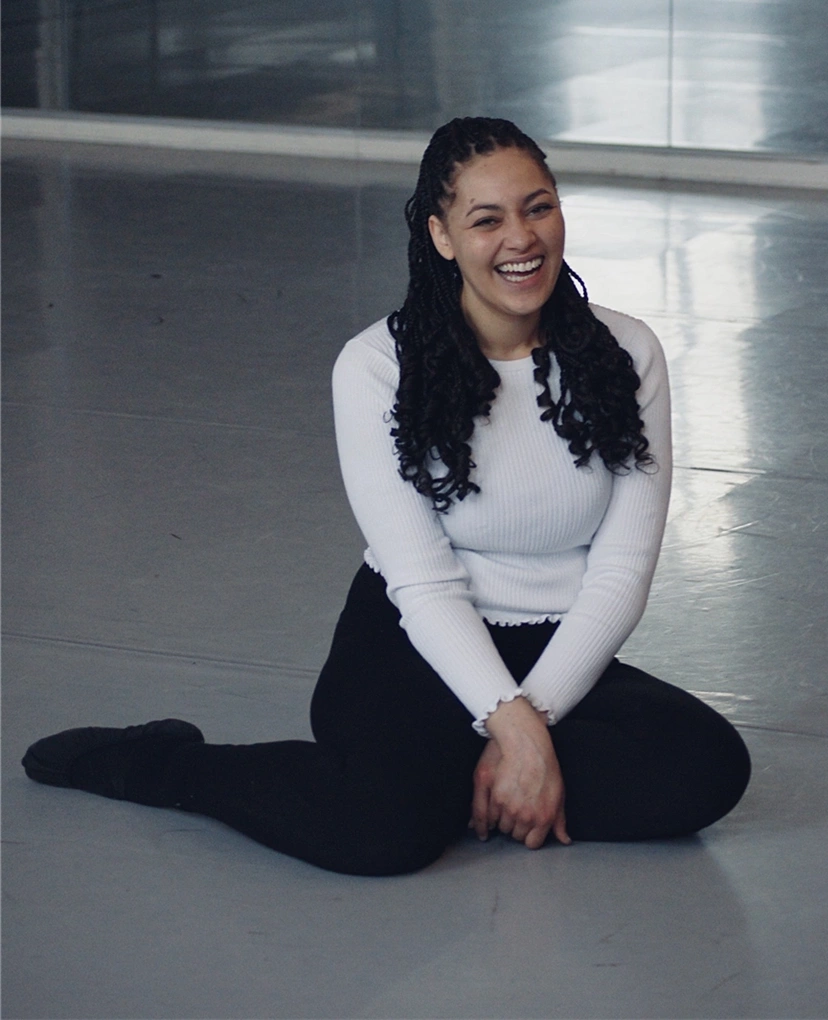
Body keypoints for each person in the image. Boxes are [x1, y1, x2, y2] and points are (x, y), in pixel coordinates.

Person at [22, 117, 751, 876]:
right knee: (380, 835)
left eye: (539, 208)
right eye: (487, 219)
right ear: (441, 235)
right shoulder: (377, 366)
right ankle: (163, 763)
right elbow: (423, 581)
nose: (521, 238)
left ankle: (464, 780)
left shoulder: (627, 353)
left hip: (556, 647)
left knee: (707, 769)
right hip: (411, 643)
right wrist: (518, 732)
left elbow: (622, 572)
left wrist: (526, 719)